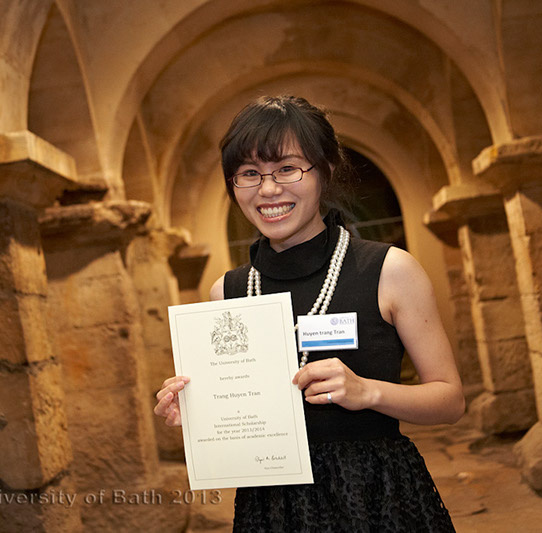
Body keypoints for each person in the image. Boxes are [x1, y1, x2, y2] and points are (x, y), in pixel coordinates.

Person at [154, 95, 464, 532]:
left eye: (287, 168)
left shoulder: (389, 270)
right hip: (272, 507)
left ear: (325, 171)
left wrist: (367, 392)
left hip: (376, 495)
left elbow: (450, 401)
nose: (268, 190)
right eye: (249, 173)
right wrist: (199, 411)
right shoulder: (227, 291)